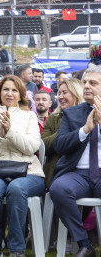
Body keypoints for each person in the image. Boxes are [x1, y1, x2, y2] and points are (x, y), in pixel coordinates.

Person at [0, 75, 44, 257]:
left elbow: (32, 147)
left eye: (14, 90)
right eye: (5, 89)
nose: (10, 93)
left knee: (16, 189)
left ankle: (16, 248)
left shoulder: (29, 116)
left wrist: (10, 131)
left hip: (28, 171)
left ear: (21, 94)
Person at [49, 66, 101, 257]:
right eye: (85, 82)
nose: (86, 86)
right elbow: (60, 145)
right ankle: (84, 244)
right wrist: (85, 130)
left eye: (93, 83)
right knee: (58, 188)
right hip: (78, 174)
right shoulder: (73, 113)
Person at [42, 78, 83, 186]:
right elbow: (44, 146)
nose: (60, 97)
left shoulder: (89, 117)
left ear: (77, 93)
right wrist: (65, 130)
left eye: (64, 93)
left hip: (84, 170)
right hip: (58, 172)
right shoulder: (53, 118)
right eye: (59, 93)